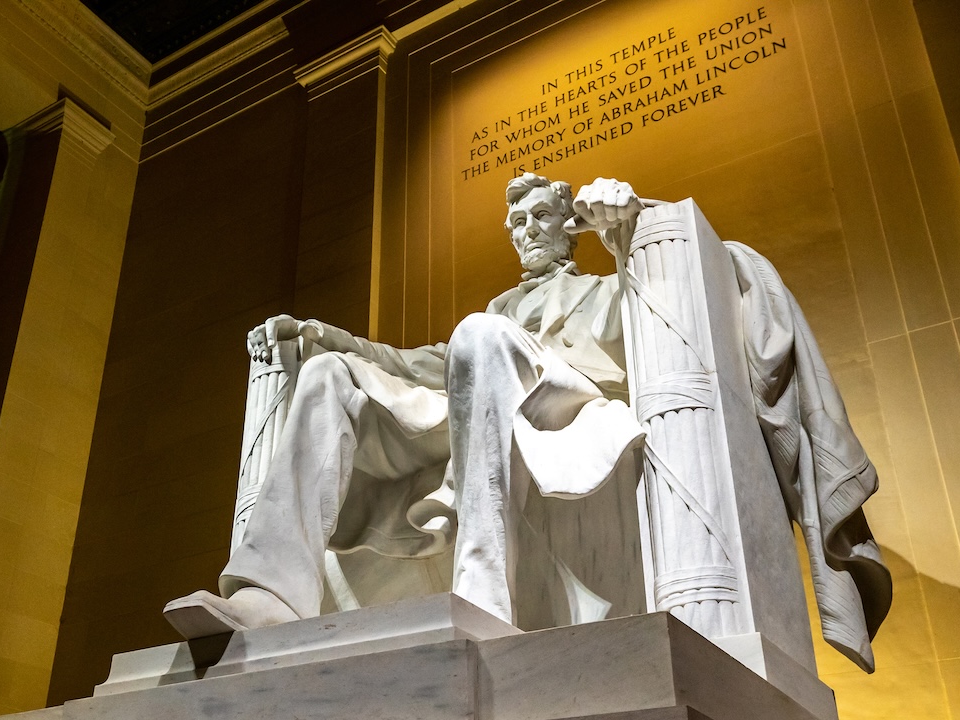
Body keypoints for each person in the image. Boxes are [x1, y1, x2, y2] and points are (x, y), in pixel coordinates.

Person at [163, 174, 646, 638]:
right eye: (518, 222)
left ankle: (482, 595)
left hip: (559, 410)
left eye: (542, 215)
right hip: (474, 406)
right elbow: (413, 364)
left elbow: (663, 293)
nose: (529, 229)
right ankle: (272, 594)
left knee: (480, 333)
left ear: (569, 225)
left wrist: (628, 227)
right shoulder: (497, 312)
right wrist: (323, 337)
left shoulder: (601, 290)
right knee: (329, 372)